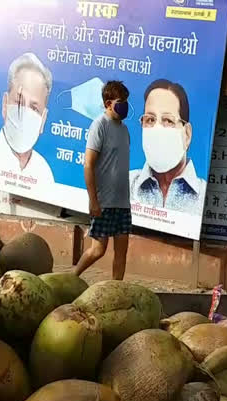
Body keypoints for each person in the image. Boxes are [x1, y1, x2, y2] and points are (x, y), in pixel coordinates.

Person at [74, 80, 131, 280]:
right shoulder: (99, 125)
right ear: (108, 103)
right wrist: (93, 200)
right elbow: (88, 164)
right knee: (98, 249)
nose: (125, 105)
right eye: (120, 101)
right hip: (104, 202)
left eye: (126, 101)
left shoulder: (124, 130)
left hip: (123, 203)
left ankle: (116, 290)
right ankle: (72, 277)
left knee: (122, 251)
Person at [129, 79, 205, 215]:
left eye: (168, 121)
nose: (157, 129)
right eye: (150, 120)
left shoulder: (205, 196)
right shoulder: (125, 184)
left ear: (187, 134)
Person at [0, 52, 54, 189]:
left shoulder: (44, 174)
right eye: (19, 102)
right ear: (5, 104)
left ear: (43, 119)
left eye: (34, 108)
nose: (24, 112)